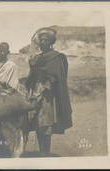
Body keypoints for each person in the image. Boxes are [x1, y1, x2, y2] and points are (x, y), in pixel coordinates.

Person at [26, 28, 73, 157]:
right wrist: (32, 91)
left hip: (48, 95)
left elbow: (58, 77)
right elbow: (32, 71)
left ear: (51, 42)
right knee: (36, 120)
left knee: (46, 123)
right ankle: (42, 149)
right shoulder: (38, 57)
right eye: (41, 40)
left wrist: (46, 87)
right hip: (36, 92)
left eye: (46, 40)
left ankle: (45, 151)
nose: (43, 42)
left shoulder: (56, 57)